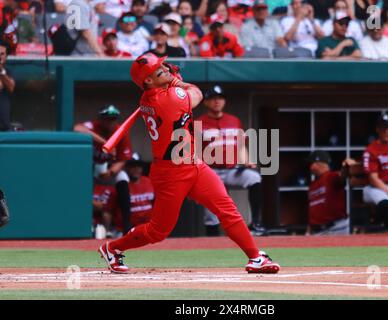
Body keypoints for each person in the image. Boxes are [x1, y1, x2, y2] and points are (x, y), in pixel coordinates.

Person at [98, 53, 280, 274]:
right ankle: (112, 248)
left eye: (163, 65)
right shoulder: (168, 98)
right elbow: (197, 93)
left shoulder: (151, 96)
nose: (165, 68)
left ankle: (255, 257)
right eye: (159, 69)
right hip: (171, 171)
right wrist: (176, 80)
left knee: (227, 210)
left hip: (195, 164)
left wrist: (166, 77)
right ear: (147, 81)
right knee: (158, 231)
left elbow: (171, 86)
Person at [197, 85, 267, 236]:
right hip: (211, 171)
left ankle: (256, 223)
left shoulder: (234, 120)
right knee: (211, 213)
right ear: (206, 102)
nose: (217, 101)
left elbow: (241, 146)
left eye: (220, 98)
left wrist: (247, 161)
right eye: (213, 98)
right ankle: (212, 239)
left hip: (232, 170)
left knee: (254, 178)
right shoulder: (198, 122)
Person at [74, 105, 134, 234]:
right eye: (107, 119)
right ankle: (84, 223)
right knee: (80, 179)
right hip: (91, 168)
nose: (110, 122)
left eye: (113, 119)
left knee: (123, 178)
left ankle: (126, 224)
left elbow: (123, 159)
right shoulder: (94, 126)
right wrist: (103, 142)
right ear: (100, 119)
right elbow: (77, 128)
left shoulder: (121, 132)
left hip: (109, 169)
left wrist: (111, 172)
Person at [306, 151, 355, 236]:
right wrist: (308, 231)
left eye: (311, 163)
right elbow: (312, 211)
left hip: (336, 228)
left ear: (319, 163)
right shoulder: (312, 185)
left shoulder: (331, 177)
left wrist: (346, 166)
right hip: (318, 231)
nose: (310, 167)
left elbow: (342, 176)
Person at [0, 40, 15, 132]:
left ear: (6, 56)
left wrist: (1, 72)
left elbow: (11, 87)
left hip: (4, 126)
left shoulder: (8, 72)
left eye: (2, 54)